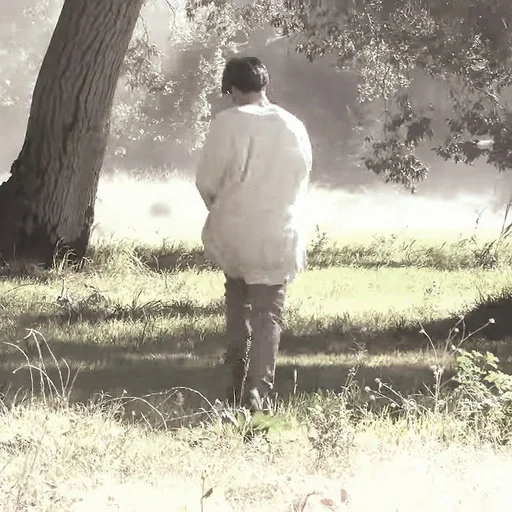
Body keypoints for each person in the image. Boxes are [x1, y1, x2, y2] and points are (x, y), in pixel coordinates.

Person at [195, 56, 313, 412]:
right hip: (279, 230)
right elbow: (302, 178)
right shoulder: (293, 125)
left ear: (232, 90)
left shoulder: (227, 122)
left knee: (238, 301)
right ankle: (257, 392)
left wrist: (222, 207)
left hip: (236, 228)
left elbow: (207, 180)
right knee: (268, 313)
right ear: (265, 85)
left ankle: (234, 381)